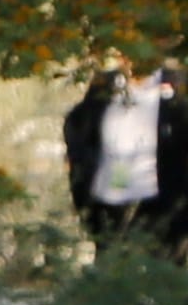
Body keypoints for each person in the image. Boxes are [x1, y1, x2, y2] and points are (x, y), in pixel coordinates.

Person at [67, 58, 174, 254]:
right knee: (111, 263)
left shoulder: (175, 84)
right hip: (110, 193)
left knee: (158, 268)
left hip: (161, 201)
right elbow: (79, 125)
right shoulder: (106, 84)